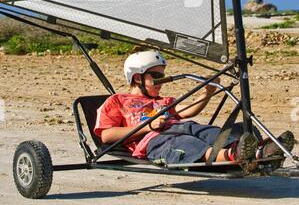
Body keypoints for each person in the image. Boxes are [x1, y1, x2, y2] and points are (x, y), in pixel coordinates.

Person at [94, 50, 295, 165]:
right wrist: (149, 126)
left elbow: (187, 110)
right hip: (151, 143)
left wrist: (206, 93)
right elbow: (106, 136)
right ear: (137, 78)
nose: (162, 81)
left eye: (163, 76)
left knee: (198, 128)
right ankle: (236, 155)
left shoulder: (162, 101)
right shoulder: (117, 101)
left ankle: (257, 151)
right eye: (156, 77)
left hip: (178, 129)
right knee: (187, 142)